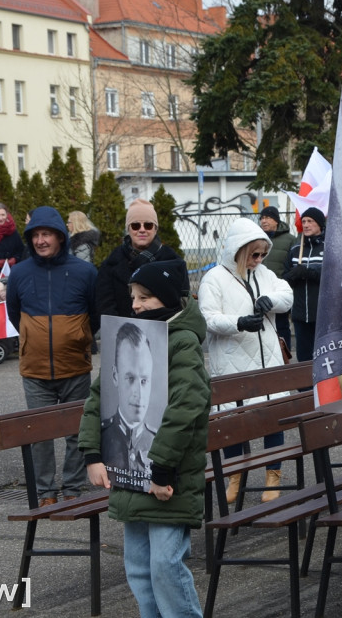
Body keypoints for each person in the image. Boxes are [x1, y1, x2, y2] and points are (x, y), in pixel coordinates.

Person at [79, 258, 210, 618]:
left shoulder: (181, 342)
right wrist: (92, 453)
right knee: (138, 568)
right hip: (128, 479)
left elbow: (188, 405)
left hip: (169, 480)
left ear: (167, 299)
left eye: (145, 297)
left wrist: (162, 469)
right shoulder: (131, 335)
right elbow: (97, 397)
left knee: (166, 566)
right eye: (134, 297)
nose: (135, 305)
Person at [6, 206, 99, 507]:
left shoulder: (85, 271)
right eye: (35, 235)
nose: (40, 240)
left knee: (77, 430)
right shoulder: (19, 273)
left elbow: (95, 316)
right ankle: (46, 492)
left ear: (60, 236)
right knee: (40, 434)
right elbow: (13, 313)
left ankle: (72, 487)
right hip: (34, 368)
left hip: (75, 365)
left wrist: (77, 336)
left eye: (46, 234)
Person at [199, 218, 293, 504]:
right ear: (239, 250)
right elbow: (208, 317)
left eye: (263, 254)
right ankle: (235, 477)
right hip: (232, 363)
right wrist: (238, 322)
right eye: (254, 254)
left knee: (271, 419)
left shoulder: (263, 274)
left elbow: (286, 294)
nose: (259, 259)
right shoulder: (214, 278)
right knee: (233, 424)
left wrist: (270, 301)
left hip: (268, 362)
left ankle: (272, 477)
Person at [98, 198, 183, 318]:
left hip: (164, 330)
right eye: (135, 225)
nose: (142, 230)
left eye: (148, 225)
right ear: (128, 229)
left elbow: (179, 303)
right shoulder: (111, 264)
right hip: (124, 331)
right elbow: (105, 305)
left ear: (155, 228)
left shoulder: (173, 261)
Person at [100, 321, 156, 473]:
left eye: (144, 381)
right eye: (130, 379)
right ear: (115, 376)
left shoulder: (157, 440)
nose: (138, 392)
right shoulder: (103, 435)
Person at [283, 207, 324, 362]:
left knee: (323, 356)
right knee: (304, 359)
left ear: (320, 224)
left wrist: (307, 272)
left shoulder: (328, 247)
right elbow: (285, 278)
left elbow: (333, 274)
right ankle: (305, 387)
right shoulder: (295, 249)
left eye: (310, 221)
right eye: (304, 221)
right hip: (300, 315)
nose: (306, 225)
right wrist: (291, 276)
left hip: (323, 314)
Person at [258, 206, 296, 350]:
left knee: (281, 326)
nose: (264, 221)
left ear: (276, 220)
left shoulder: (290, 240)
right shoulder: (257, 238)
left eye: (267, 217)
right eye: (262, 218)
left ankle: (283, 356)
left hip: (279, 291)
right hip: (259, 291)